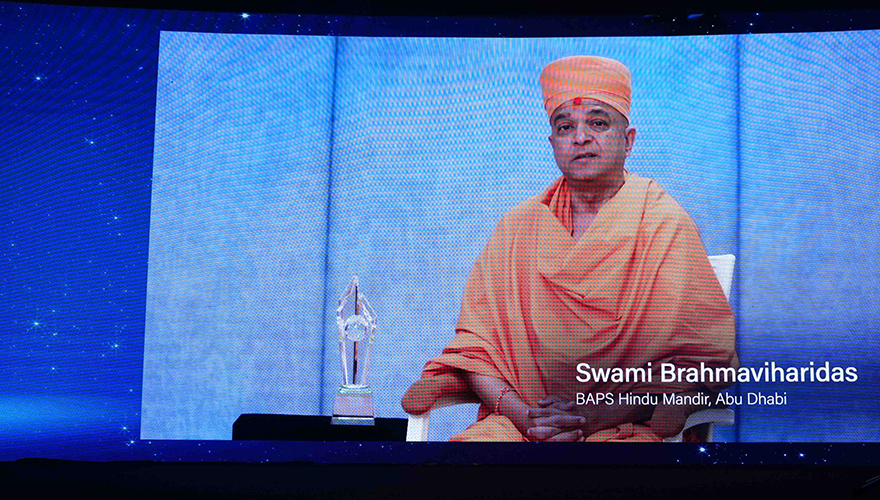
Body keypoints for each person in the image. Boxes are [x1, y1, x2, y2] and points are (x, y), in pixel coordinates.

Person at [401, 56, 738, 442]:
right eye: (565, 127)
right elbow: (477, 349)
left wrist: (591, 418)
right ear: (553, 143)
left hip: (620, 424)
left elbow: (696, 364)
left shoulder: (663, 224)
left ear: (628, 140)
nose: (580, 137)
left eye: (598, 123)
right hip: (522, 422)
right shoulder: (518, 227)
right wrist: (526, 417)